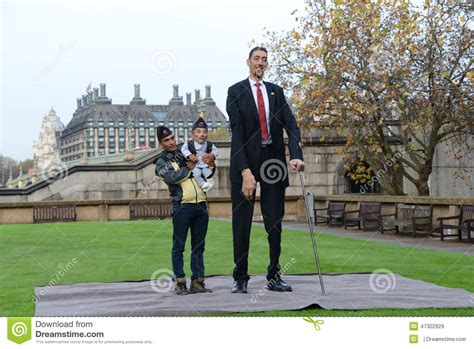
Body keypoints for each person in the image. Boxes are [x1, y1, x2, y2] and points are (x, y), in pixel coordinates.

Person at [226, 46, 305, 293]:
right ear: (248, 62)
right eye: (256, 59)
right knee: (242, 223)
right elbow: (236, 134)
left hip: (273, 160)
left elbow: (291, 124)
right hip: (246, 159)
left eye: (264, 60)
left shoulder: (276, 92)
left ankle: (274, 276)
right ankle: (240, 278)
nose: (260, 63)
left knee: (275, 222)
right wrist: (245, 172)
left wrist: (296, 155)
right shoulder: (235, 91)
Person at [154, 126, 216, 295]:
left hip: (201, 204)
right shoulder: (161, 162)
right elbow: (172, 178)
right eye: (166, 140)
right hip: (182, 207)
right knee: (179, 247)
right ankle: (180, 283)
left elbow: (205, 173)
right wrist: (188, 168)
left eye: (172, 138)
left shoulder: (186, 152)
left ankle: (197, 282)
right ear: (161, 144)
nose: (171, 142)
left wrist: (210, 164)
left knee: (199, 247)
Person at [181, 117, 219, 192]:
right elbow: (183, 149)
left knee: (208, 173)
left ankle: (209, 183)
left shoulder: (209, 144)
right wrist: (189, 156)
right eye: (198, 132)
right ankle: (202, 184)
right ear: (193, 135)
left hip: (205, 164)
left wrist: (211, 155)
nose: (202, 134)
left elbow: (216, 151)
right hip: (195, 165)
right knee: (197, 173)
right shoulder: (189, 144)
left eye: (205, 132)